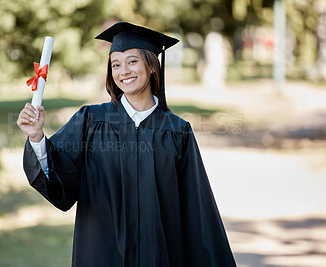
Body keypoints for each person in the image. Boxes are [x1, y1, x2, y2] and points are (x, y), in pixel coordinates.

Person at [17, 22, 236, 267]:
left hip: (160, 257)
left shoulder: (176, 131)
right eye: (115, 64)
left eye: (132, 61)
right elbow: (58, 175)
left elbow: (197, 210)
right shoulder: (91, 121)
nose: (124, 72)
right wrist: (37, 137)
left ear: (152, 65)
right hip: (102, 255)